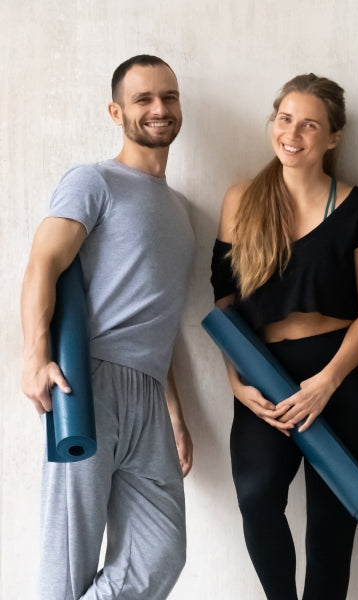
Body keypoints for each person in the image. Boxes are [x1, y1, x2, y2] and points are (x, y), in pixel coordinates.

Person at [21, 54, 193, 599]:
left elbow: (158, 316)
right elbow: (42, 263)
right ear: (116, 111)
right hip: (85, 384)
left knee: (161, 554)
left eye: (168, 96)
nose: (159, 108)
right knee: (68, 558)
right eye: (144, 99)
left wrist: (174, 411)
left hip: (148, 393)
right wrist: (34, 355)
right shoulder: (93, 180)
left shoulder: (180, 211)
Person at [211, 74, 358, 600]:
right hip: (263, 374)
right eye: (285, 119)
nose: (293, 133)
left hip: (342, 377)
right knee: (256, 495)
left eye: (309, 124)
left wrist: (327, 382)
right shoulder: (242, 199)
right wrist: (236, 382)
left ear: (332, 137)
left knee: (332, 532)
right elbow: (223, 302)